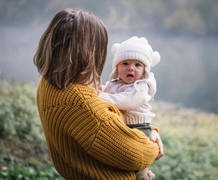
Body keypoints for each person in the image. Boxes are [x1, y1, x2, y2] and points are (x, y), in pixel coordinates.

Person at [33, 8, 163, 179]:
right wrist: (154, 144)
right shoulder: (80, 103)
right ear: (88, 52)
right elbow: (136, 155)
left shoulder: (47, 83)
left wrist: (148, 128)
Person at [99, 36, 161, 179]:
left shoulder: (140, 88)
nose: (131, 68)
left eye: (137, 65)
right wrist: (99, 90)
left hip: (139, 127)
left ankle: (145, 175)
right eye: (125, 63)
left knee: (137, 164)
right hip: (125, 126)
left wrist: (99, 97)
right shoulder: (114, 83)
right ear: (117, 67)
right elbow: (108, 91)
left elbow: (126, 101)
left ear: (145, 70)